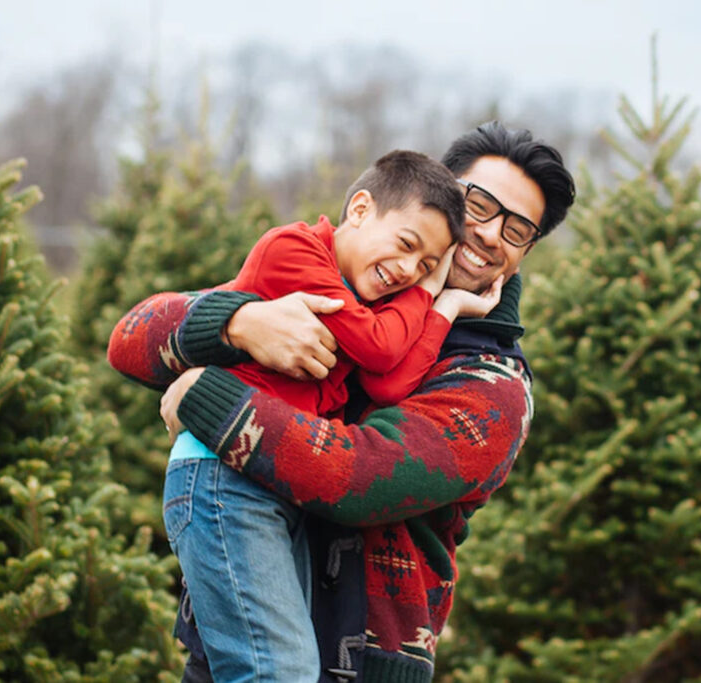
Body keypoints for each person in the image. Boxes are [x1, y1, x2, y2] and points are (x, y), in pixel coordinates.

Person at [108, 122, 576, 683]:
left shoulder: (493, 383)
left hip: (362, 664)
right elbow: (131, 337)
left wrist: (202, 393)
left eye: (518, 228)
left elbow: (357, 477)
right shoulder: (345, 285)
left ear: (524, 252)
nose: (490, 233)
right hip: (238, 654)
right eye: (479, 204)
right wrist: (237, 323)